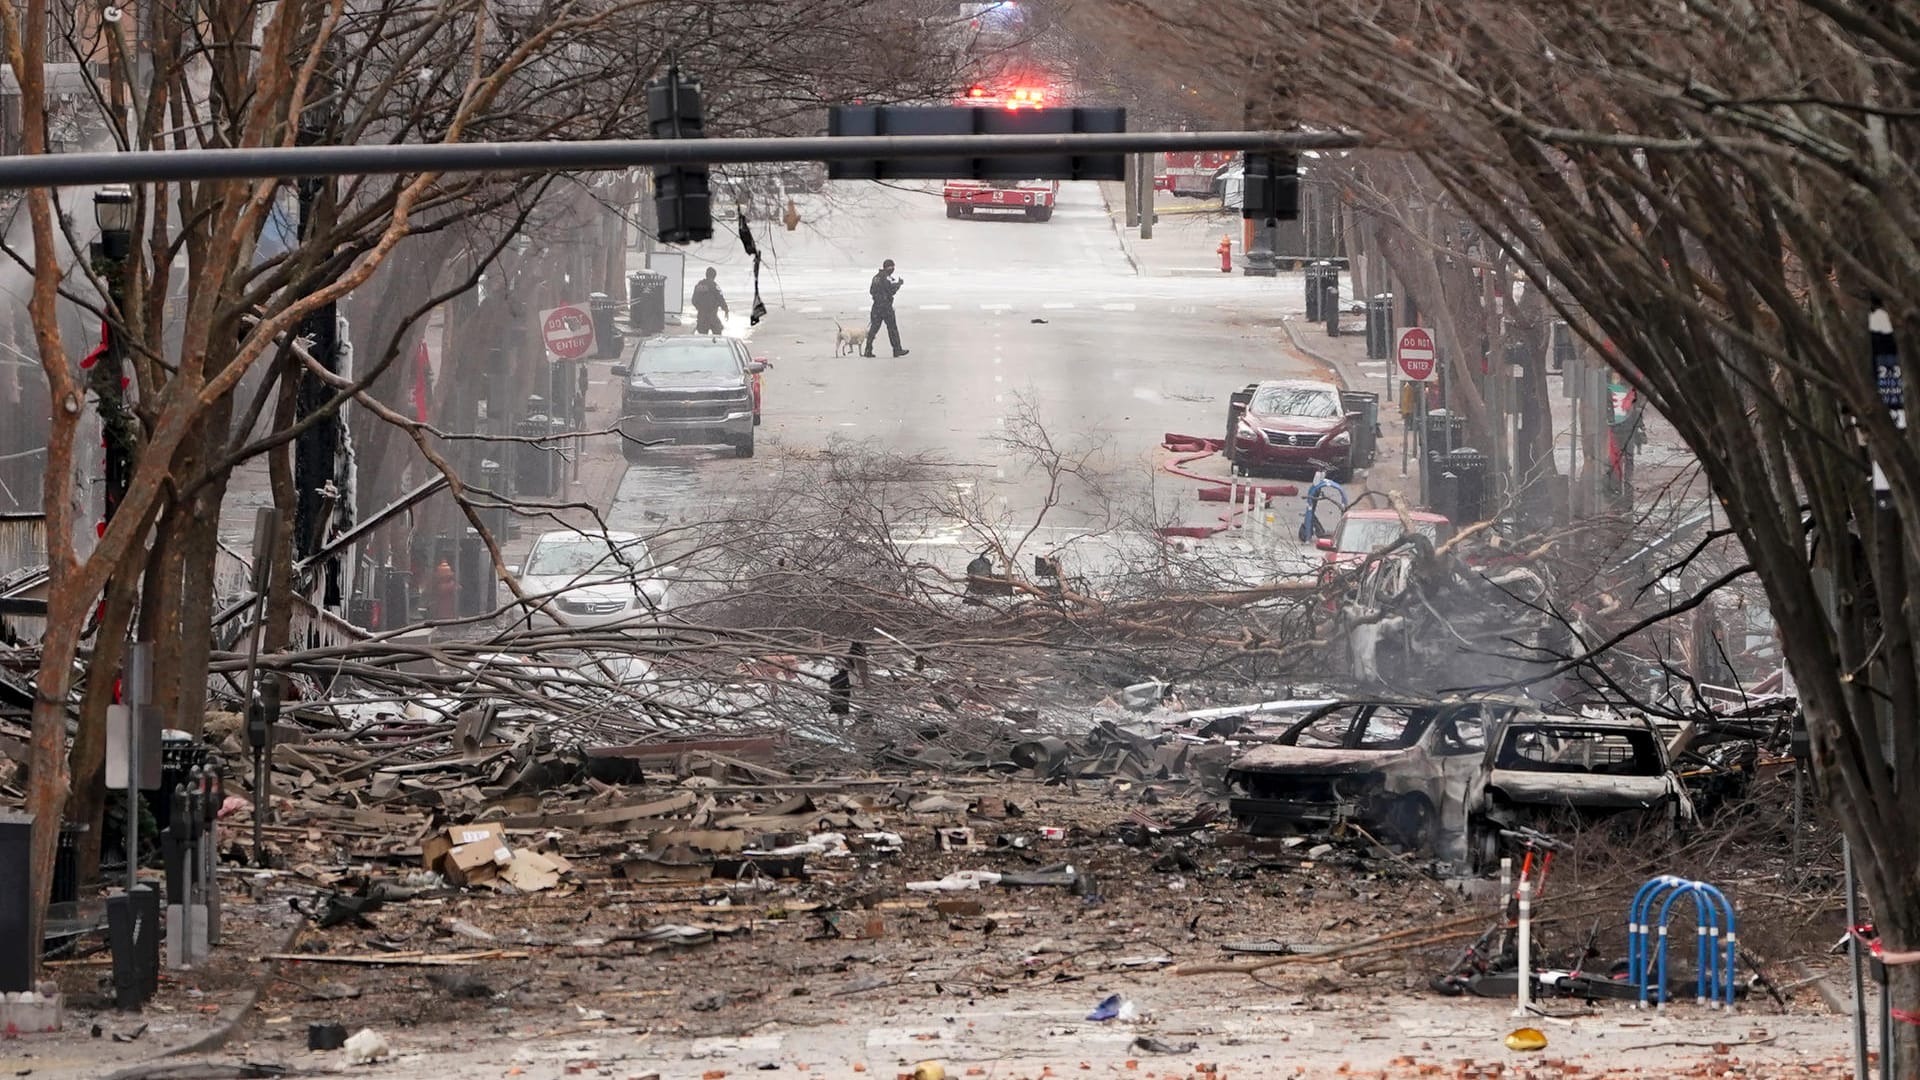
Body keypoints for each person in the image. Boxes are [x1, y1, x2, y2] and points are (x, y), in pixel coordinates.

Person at [864, 259, 908, 357]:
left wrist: (877, 298)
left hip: (876, 306)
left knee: (873, 329)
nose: (893, 269)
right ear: (888, 267)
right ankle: (897, 349)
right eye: (892, 267)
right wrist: (899, 284)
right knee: (892, 328)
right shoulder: (887, 278)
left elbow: (871, 291)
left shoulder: (876, 277)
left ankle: (868, 350)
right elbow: (891, 290)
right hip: (886, 307)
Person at [691, 267, 728, 335]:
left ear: (706, 274)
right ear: (714, 276)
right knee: (718, 336)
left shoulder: (698, 285)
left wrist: (699, 308)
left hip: (701, 316)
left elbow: (693, 300)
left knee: (702, 337)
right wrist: (726, 309)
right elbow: (721, 299)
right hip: (712, 316)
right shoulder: (714, 285)